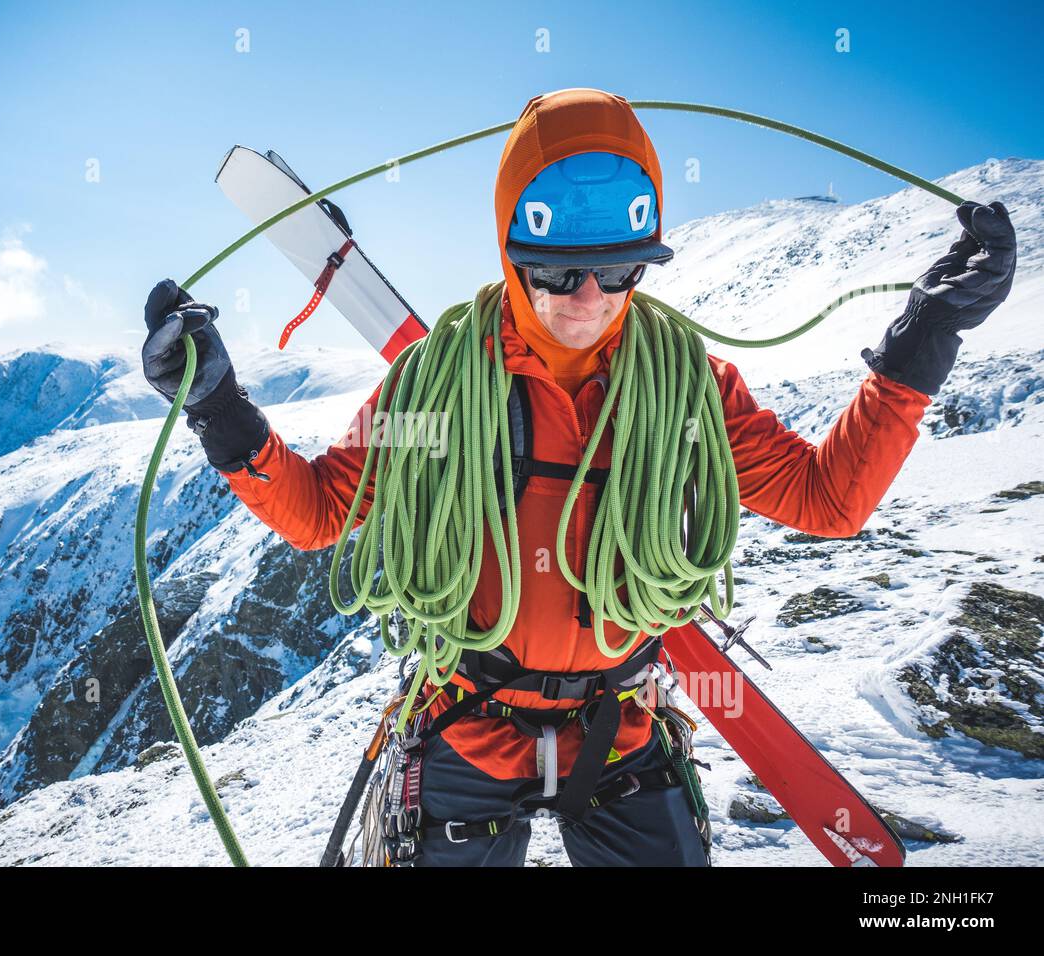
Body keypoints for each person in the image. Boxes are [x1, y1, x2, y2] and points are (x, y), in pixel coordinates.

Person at [140, 89, 1016, 866]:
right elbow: (322, 511)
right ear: (510, 249)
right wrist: (220, 409)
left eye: (620, 268)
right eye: (557, 270)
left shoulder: (686, 389)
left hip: (620, 725)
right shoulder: (440, 389)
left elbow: (830, 500)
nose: (588, 297)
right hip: (470, 721)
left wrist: (924, 341)